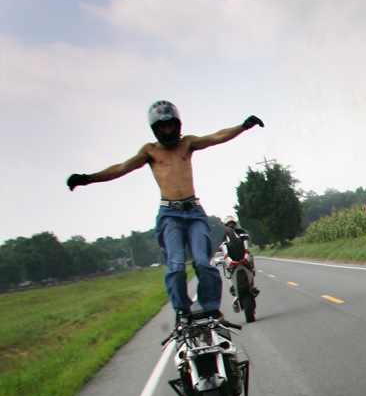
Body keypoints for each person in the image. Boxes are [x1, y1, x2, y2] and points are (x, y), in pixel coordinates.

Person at [67, 101, 264, 325]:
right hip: (170, 214)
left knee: (203, 262)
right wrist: (88, 178)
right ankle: (182, 310)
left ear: (178, 124)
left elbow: (217, 136)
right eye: (163, 127)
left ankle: (210, 308)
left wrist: (243, 126)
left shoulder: (187, 143)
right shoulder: (150, 151)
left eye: (171, 126)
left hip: (194, 211)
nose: (168, 131)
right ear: (155, 129)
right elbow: (122, 168)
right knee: (177, 265)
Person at [217, 214, 258, 313]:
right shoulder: (225, 236)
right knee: (229, 272)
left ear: (235, 224)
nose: (231, 226)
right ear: (226, 225)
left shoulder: (241, 232)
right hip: (232, 260)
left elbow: (246, 240)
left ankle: (251, 286)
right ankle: (233, 287)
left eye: (232, 224)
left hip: (243, 257)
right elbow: (221, 247)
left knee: (251, 267)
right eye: (228, 224)